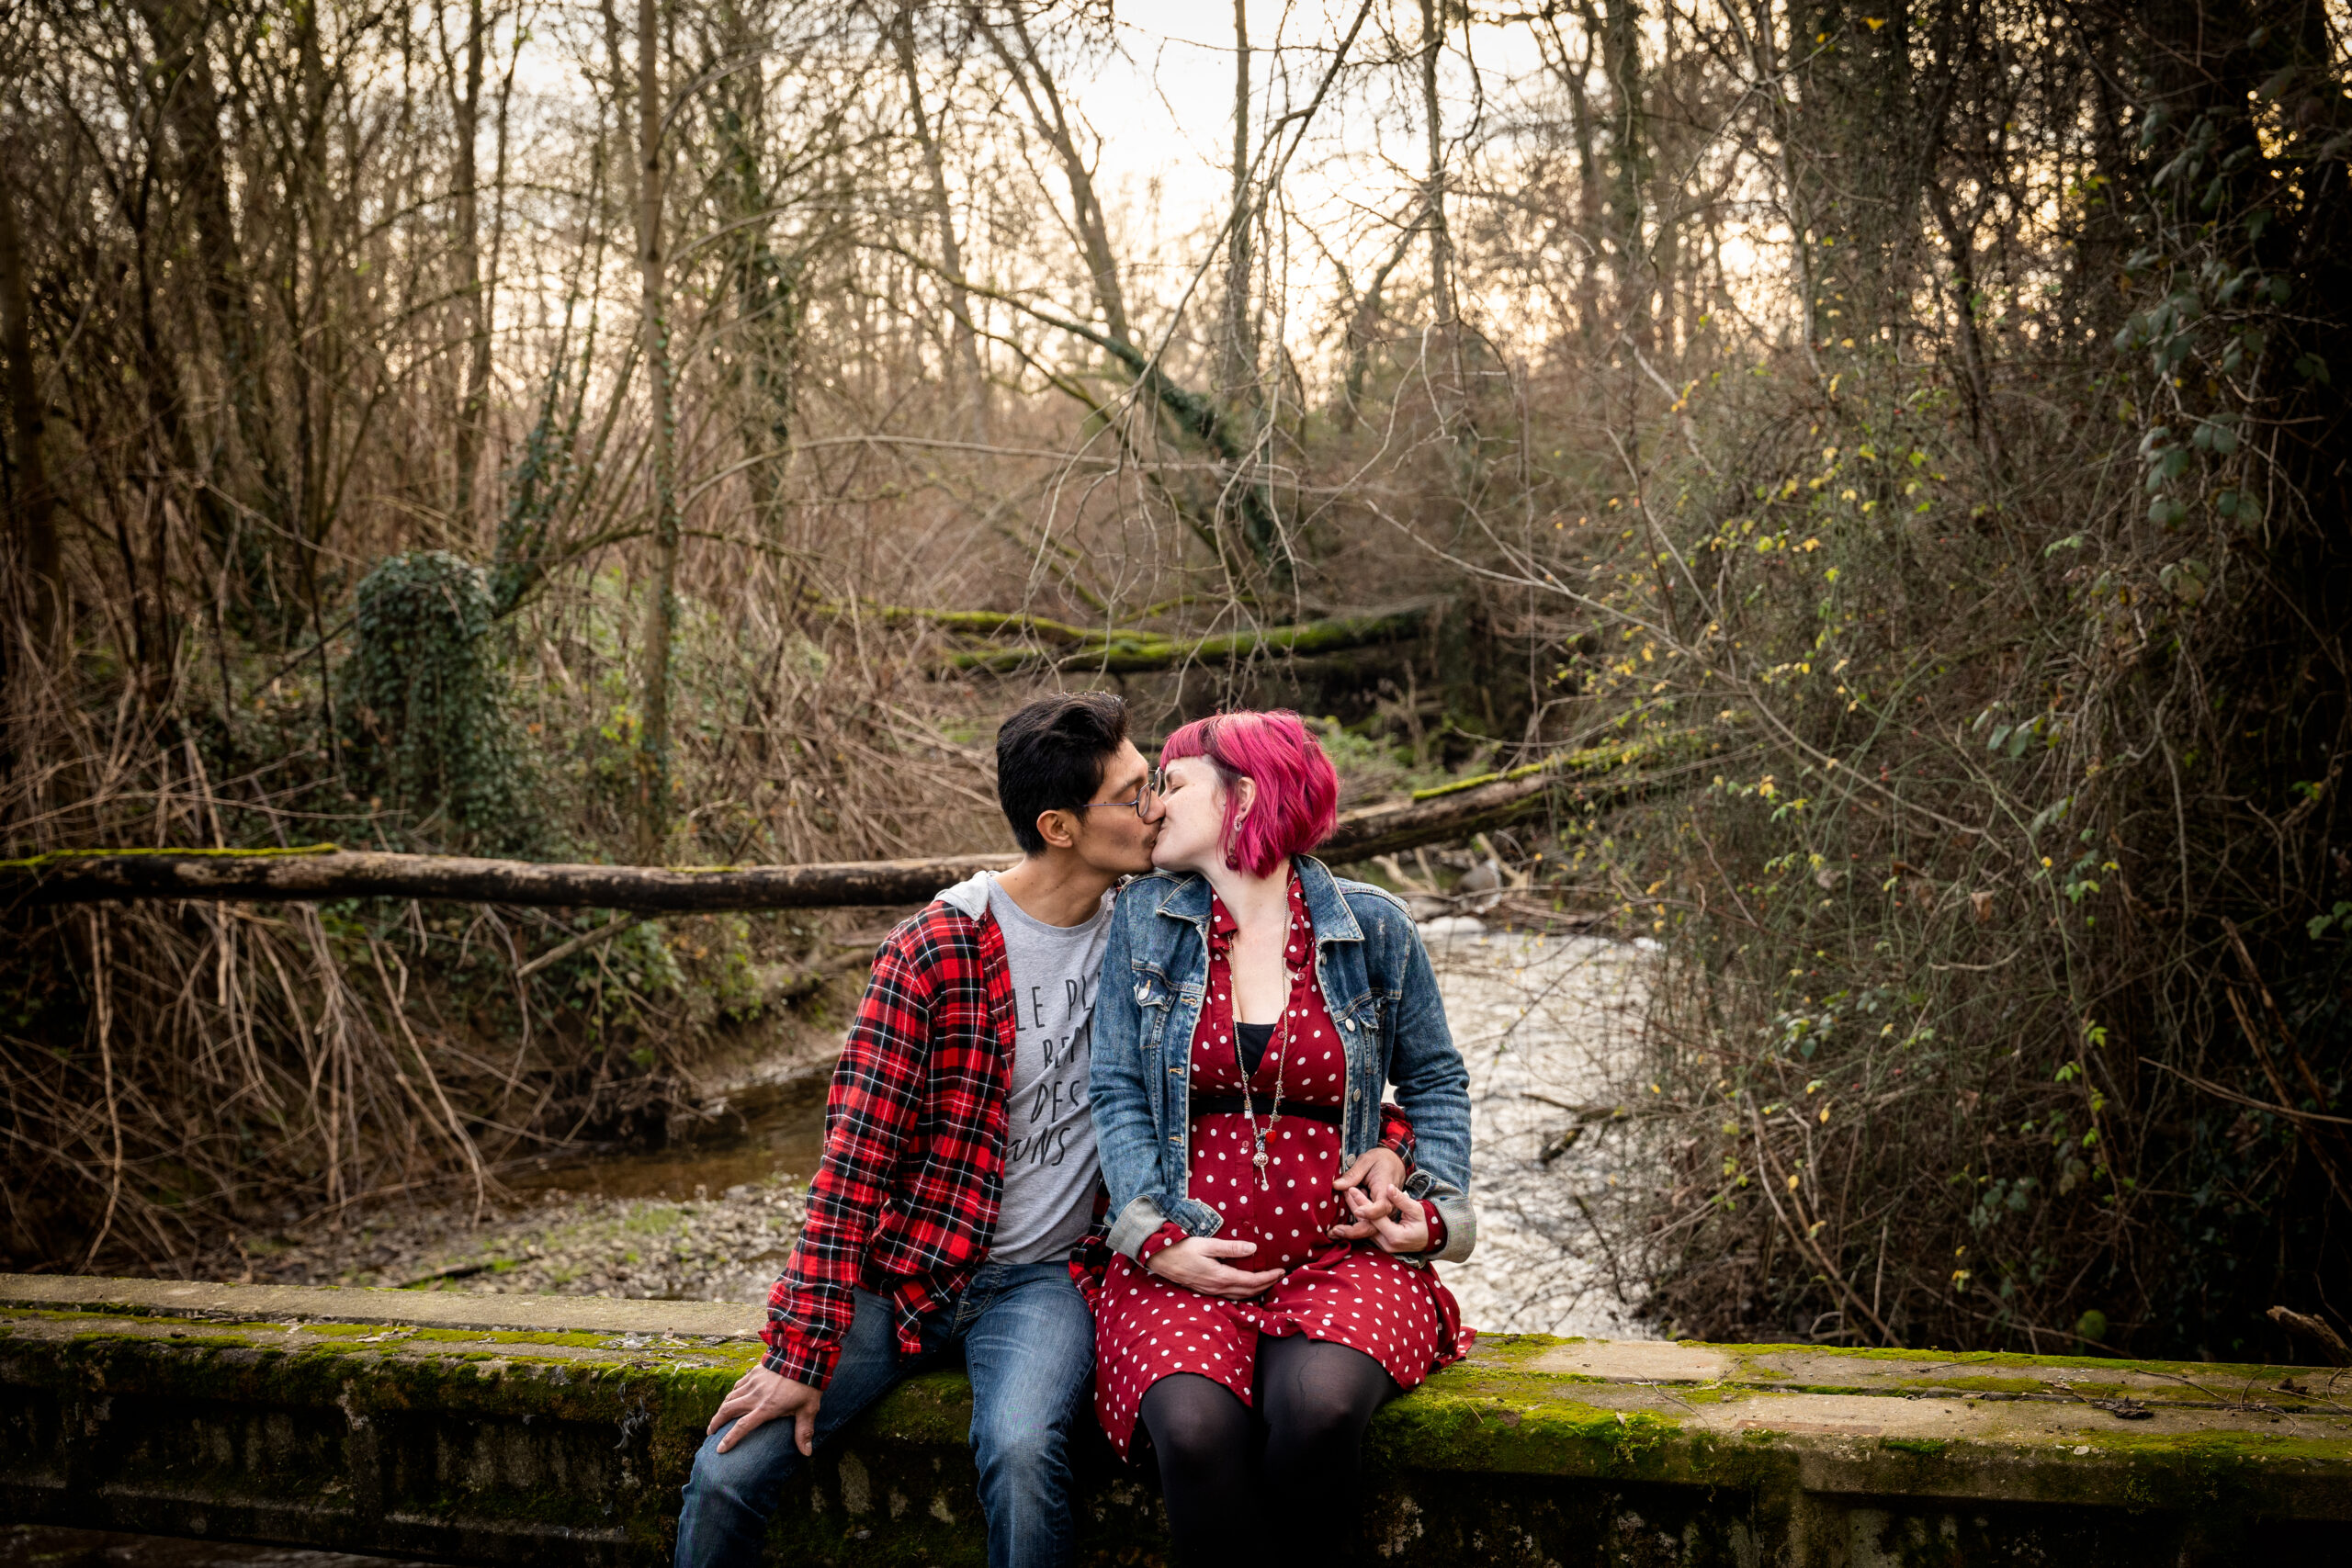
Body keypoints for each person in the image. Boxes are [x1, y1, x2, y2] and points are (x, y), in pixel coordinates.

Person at [674, 692, 1154, 1568]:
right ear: (1059, 825)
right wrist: (801, 1347)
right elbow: (851, 1161)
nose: (1153, 806)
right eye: (1133, 794)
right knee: (726, 1469)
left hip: (1045, 1281)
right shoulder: (936, 949)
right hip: (908, 1273)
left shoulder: (1150, 938)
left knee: (1019, 1451)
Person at [1089, 709, 1476, 1565]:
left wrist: (1432, 1206)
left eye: (1172, 783)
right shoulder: (1144, 920)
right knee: (1190, 1430)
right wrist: (1150, 1239)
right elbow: (1115, 1087)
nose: (1151, 806)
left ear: (1246, 796)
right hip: (1184, 1254)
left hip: (1342, 1255)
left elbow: (1437, 1081)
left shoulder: (1372, 927)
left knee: (1323, 1411)